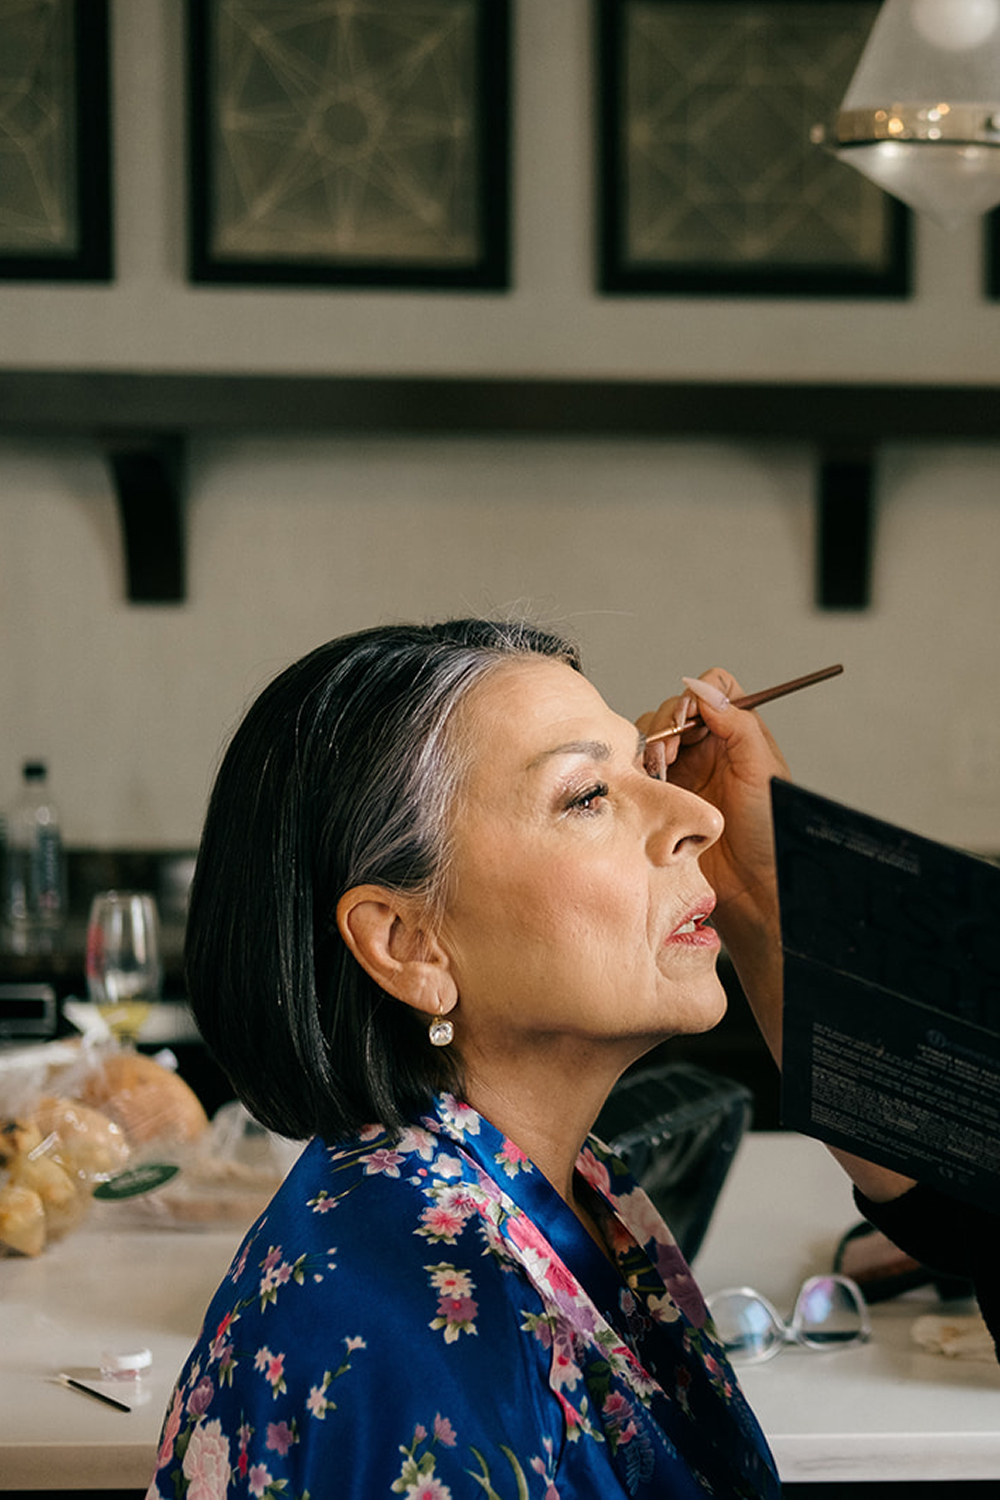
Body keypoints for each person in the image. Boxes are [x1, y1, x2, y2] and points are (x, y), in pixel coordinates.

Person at [147, 618, 790, 1500]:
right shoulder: (416, 1336)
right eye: (587, 796)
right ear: (410, 942)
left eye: (645, 766)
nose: (701, 816)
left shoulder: (562, 1191)